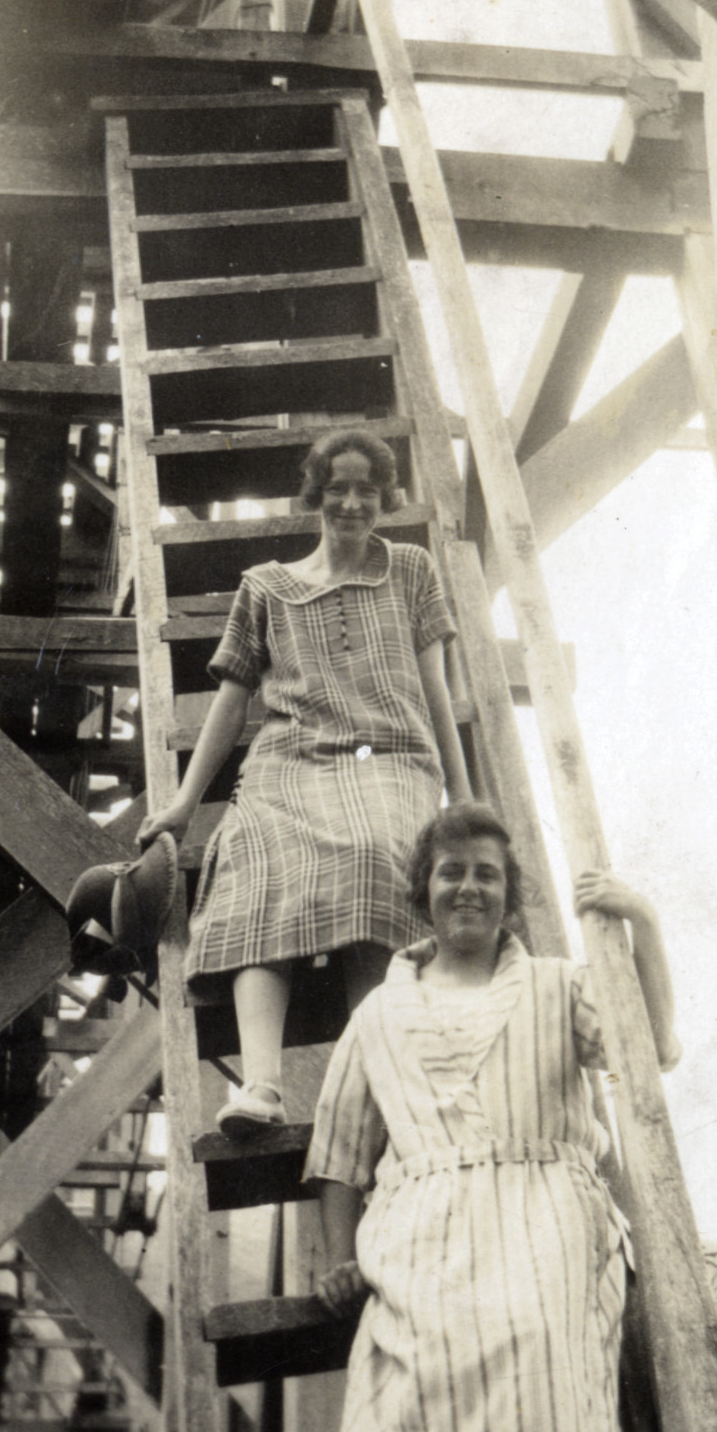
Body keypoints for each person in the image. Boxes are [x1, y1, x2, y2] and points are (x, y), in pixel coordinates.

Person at [306, 800, 681, 1432]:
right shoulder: (379, 1016)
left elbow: (649, 1049)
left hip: (544, 1200)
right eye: (451, 873)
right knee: (441, 1361)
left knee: (540, 1340)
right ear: (423, 891)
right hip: (426, 1223)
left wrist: (644, 925)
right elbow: (338, 1155)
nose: (468, 888)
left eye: (486, 874)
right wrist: (337, 1259)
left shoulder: (555, 985)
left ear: (509, 894)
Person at [139, 426, 472, 1135]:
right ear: (317, 494)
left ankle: (377, 1084)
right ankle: (261, 1088)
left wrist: (464, 795)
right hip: (290, 761)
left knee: (376, 851)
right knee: (253, 853)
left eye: (367, 491)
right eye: (338, 488)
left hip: (389, 756)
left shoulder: (411, 570)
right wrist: (183, 804)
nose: (352, 503)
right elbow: (232, 701)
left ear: (384, 499)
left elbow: (436, 690)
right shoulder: (265, 587)